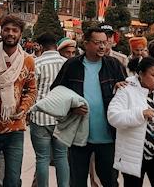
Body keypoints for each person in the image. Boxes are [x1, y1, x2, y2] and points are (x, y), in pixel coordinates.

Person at [50, 26, 127, 187]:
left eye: (105, 43)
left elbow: (128, 95)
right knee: (77, 181)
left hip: (108, 137)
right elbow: (56, 92)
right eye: (97, 42)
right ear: (86, 44)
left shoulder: (114, 65)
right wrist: (72, 108)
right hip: (79, 136)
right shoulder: (72, 66)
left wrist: (123, 88)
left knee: (110, 181)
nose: (102, 47)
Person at [0, 15, 37, 187]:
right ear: (0, 32)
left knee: (12, 178)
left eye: (15, 30)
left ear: (20, 34)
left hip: (15, 127)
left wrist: (24, 107)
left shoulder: (28, 60)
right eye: (7, 30)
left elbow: (31, 89)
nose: (10, 34)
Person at [107, 56, 154, 187]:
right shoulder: (126, 90)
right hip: (133, 154)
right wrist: (140, 114)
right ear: (140, 74)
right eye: (153, 75)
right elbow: (113, 117)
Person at [29, 33, 68, 187]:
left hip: (40, 117)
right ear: (56, 45)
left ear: (41, 46)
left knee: (42, 158)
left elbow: (32, 91)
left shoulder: (36, 63)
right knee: (61, 156)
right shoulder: (66, 63)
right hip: (63, 117)